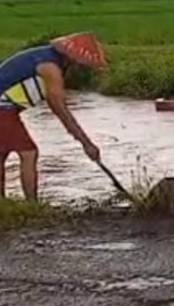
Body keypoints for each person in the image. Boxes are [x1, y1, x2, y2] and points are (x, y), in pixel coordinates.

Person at [0, 32, 106, 200]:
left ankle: (3, 205)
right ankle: (32, 206)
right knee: (29, 153)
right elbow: (59, 109)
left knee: (2, 153)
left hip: (6, 109)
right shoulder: (50, 68)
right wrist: (86, 143)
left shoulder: (43, 55)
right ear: (71, 59)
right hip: (3, 110)